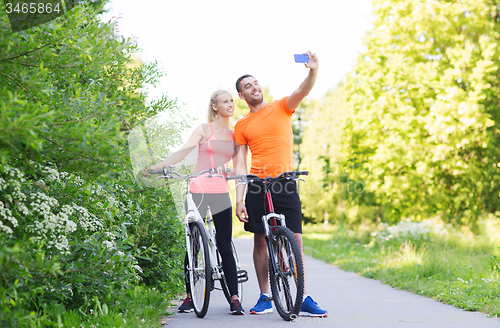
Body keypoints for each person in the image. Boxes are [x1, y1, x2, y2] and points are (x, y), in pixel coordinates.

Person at [233, 51, 327, 317]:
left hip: (284, 182)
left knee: (295, 238)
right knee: (261, 240)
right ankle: (265, 295)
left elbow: (303, 89)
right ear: (242, 96)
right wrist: (238, 198)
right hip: (256, 184)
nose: (254, 88)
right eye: (247, 86)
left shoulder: (281, 106)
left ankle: (303, 295)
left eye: (255, 83)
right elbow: (240, 163)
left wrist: (313, 70)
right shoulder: (242, 124)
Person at [142, 90, 244, 315]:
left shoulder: (235, 134)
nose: (231, 104)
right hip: (197, 189)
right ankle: (190, 296)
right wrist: (156, 167)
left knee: (225, 245)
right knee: (193, 244)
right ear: (215, 106)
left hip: (220, 192)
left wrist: (234, 185)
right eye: (225, 101)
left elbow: (239, 168)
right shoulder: (204, 129)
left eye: (231, 101)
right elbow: (183, 151)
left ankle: (235, 299)